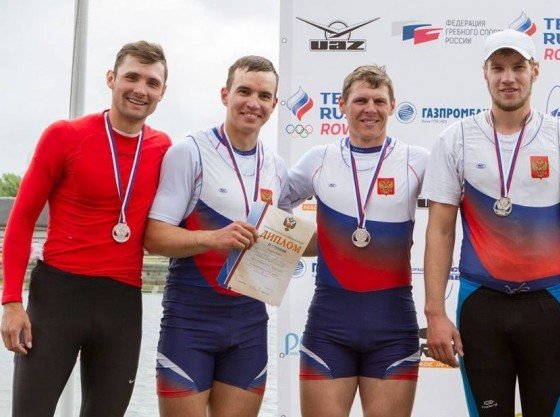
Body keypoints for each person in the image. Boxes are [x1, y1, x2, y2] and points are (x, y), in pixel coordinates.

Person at [421, 29, 560, 416]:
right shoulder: (456, 139)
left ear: (535, 71)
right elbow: (440, 230)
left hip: (549, 305)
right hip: (481, 306)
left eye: (518, 67)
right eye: (498, 68)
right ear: (485, 73)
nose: (508, 78)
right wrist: (435, 312)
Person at [0, 41, 170, 416]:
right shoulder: (64, 135)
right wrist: (11, 300)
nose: (140, 89)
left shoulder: (164, 149)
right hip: (58, 296)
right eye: (131, 77)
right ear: (111, 79)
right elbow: (22, 218)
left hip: (121, 301)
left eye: (152, 82)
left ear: (162, 92)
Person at [144, 55, 289, 417]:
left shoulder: (276, 167)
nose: (253, 103)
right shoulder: (189, 152)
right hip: (190, 320)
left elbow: (283, 242)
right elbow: (154, 237)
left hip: (249, 322)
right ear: (225, 94)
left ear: (274, 104)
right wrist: (212, 239)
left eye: (263, 95)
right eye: (244, 91)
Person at [288, 65, 428, 417]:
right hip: (329, 325)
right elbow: (268, 205)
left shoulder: (417, 160)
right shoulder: (318, 159)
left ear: (392, 106)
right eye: (361, 100)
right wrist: (320, 242)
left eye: (379, 101)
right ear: (342, 104)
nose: (370, 109)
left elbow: (465, 200)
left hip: (393, 325)